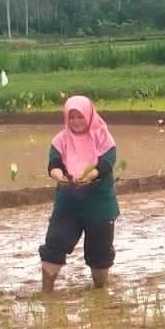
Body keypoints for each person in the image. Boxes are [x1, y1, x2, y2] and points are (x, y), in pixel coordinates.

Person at [41, 96, 119, 292]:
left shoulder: (103, 138)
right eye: (71, 117)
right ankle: (46, 293)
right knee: (54, 244)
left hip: (99, 203)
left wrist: (91, 175)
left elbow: (106, 164)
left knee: (99, 253)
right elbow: (54, 165)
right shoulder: (60, 140)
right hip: (68, 203)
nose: (75, 122)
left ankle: (100, 293)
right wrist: (59, 176)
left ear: (89, 116)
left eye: (80, 117)